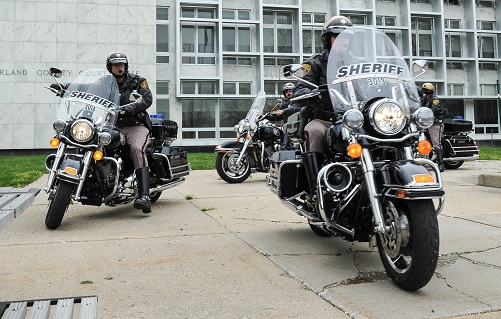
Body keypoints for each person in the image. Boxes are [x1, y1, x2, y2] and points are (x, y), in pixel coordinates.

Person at [293, 15, 354, 195]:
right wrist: (311, 93)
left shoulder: (359, 64)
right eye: (337, 37)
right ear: (328, 39)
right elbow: (300, 90)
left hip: (354, 119)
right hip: (324, 120)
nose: (342, 42)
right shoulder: (313, 64)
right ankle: (317, 188)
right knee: (313, 131)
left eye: (346, 38)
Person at [106, 51, 154, 212]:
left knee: (136, 149)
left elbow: (146, 99)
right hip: (113, 126)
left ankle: (144, 196)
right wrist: (65, 87)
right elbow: (87, 88)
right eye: (116, 64)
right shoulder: (104, 82)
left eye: (122, 64)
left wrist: (132, 107)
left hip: (136, 125)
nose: (119, 67)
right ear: (110, 67)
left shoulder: (138, 81)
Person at [420, 82, 446, 172]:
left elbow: (433, 110)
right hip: (426, 124)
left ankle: (441, 164)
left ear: (430, 93)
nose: (425, 95)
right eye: (424, 93)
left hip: (435, 124)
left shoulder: (435, 100)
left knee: (436, 144)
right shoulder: (424, 100)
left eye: (426, 93)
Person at [265, 82, 299, 148]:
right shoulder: (285, 104)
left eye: (290, 91)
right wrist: (267, 116)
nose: (288, 93)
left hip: (297, 125)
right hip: (289, 127)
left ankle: (285, 146)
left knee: (286, 126)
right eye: (286, 91)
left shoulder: (297, 100)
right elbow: (279, 117)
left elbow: (295, 108)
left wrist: (282, 111)